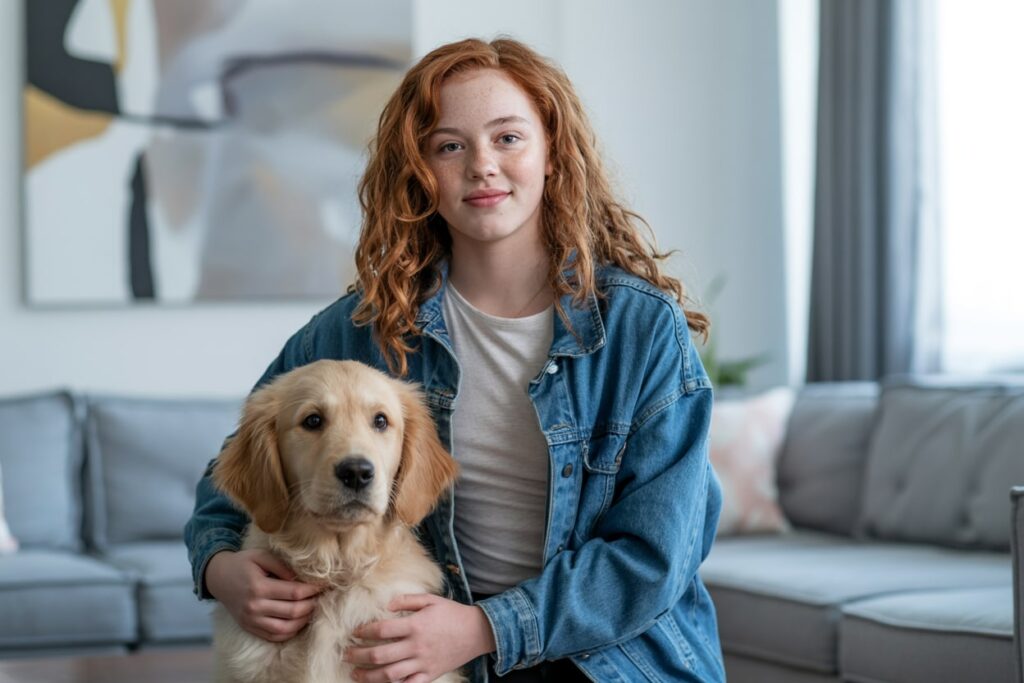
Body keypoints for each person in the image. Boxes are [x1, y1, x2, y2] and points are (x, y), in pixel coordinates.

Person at [184, 37, 725, 683]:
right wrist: (222, 569)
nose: (482, 166)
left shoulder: (641, 330)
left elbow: (653, 557)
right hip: (431, 657)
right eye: (450, 146)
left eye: (508, 138)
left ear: (553, 154)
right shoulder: (358, 331)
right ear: (419, 170)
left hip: (609, 661)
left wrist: (484, 628)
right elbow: (230, 483)